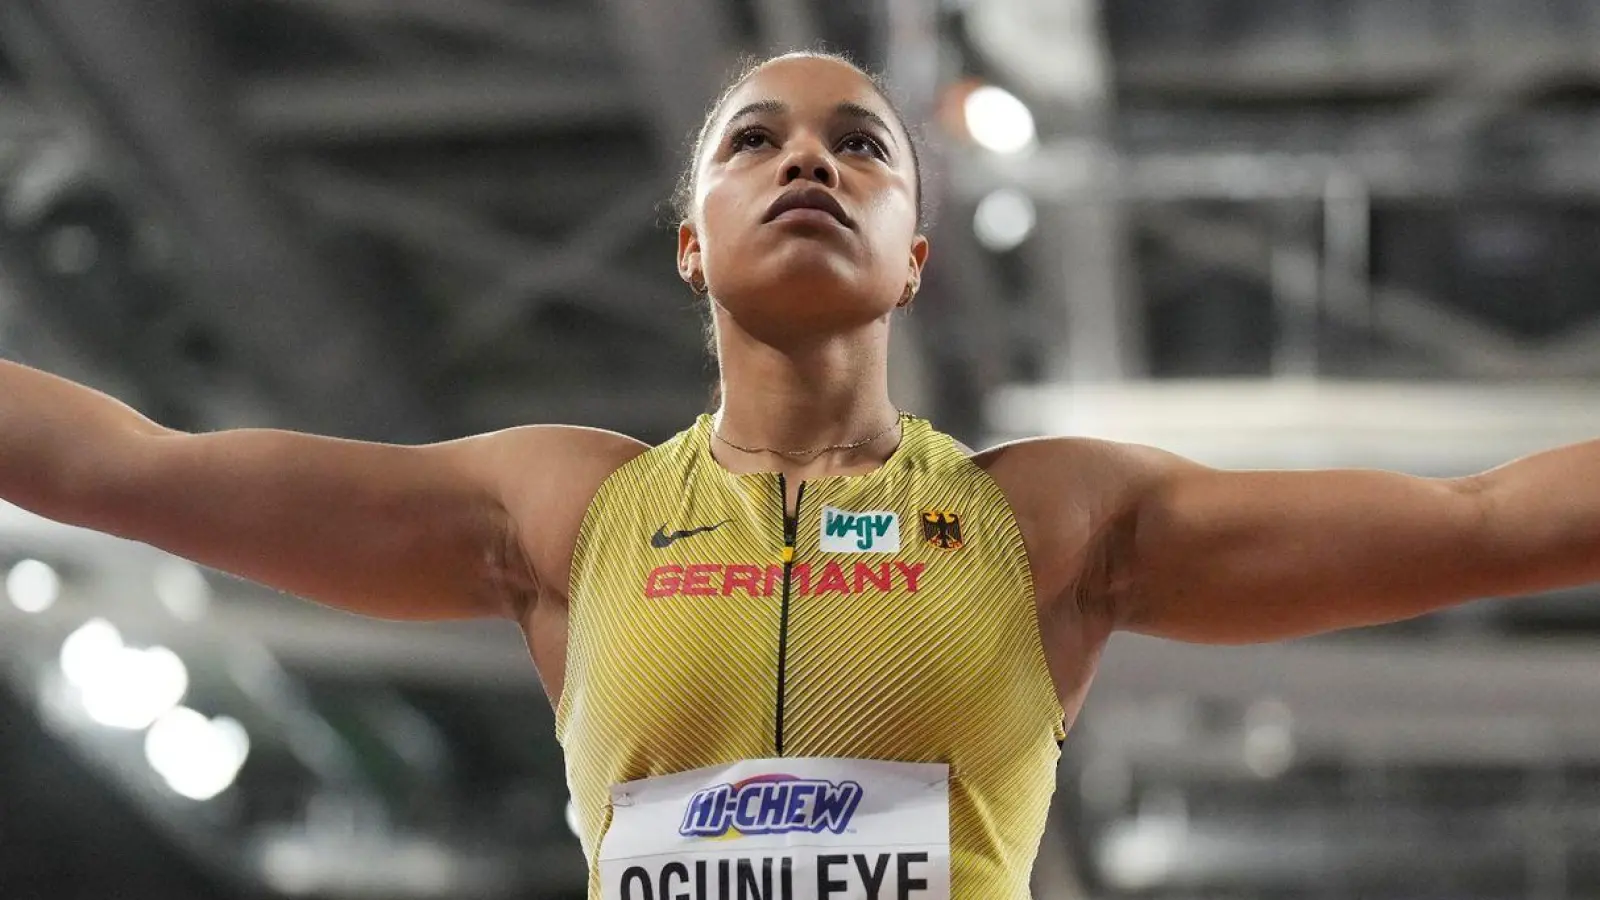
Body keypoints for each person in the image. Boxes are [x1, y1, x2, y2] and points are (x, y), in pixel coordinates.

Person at [1, 49, 1597, 900]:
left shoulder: (1050, 523)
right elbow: (130, 466)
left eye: (862, 145)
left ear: (914, 258)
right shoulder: (562, 514)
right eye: (755, 139)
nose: (811, 160)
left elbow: (1496, 521)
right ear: (692, 241)